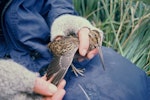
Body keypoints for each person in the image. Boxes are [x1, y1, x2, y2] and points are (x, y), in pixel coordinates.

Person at [0, 0, 149, 100]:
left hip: (49, 45)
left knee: (132, 82)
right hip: (19, 78)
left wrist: (65, 20)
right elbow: (58, 68)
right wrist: (6, 81)